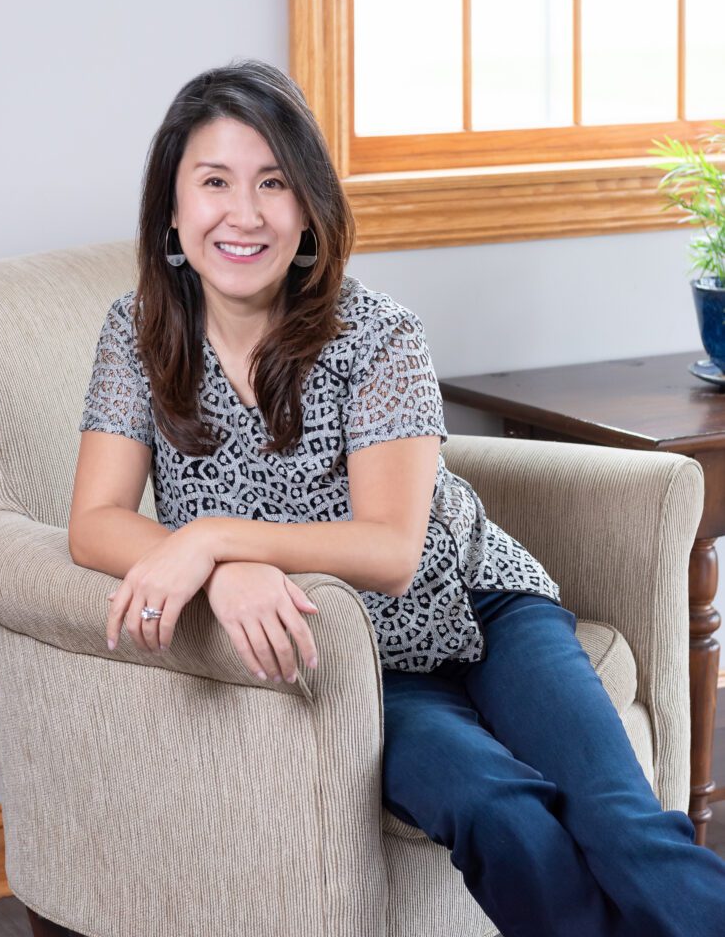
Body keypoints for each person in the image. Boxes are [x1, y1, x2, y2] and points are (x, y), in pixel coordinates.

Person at [68, 58, 725, 937]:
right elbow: (94, 520)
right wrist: (221, 574)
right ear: (173, 209)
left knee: (622, 823)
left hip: (486, 610)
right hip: (358, 662)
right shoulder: (136, 331)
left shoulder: (378, 335)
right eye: (214, 181)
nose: (244, 212)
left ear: (306, 209)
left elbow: (389, 548)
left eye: (273, 183)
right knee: (501, 816)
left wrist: (213, 539)